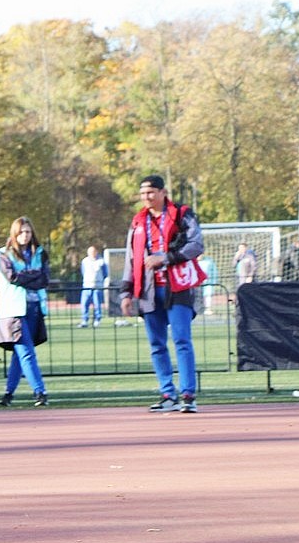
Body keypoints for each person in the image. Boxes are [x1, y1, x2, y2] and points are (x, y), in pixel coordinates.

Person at [118, 174, 206, 414]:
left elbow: (196, 244)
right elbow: (131, 259)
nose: (146, 197)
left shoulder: (181, 214)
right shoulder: (138, 222)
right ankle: (168, 393)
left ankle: (188, 394)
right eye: (143, 193)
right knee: (156, 344)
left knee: (181, 339)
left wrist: (165, 258)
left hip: (177, 286)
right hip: (147, 290)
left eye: (151, 192)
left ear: (162, 192)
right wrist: (126, 293)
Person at [0, 216, 51, 408]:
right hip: (13, 309)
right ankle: (40, 392)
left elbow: (44, 279)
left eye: (28, 232)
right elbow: (12, 277)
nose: (25, 236)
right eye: (21, 232)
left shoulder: (40, 253)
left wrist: (28, 277)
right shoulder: (2, 253)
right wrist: (33, 276)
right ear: (14, 233)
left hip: (34, 307)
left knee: (20, 354)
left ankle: (8, 394)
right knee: (26, 352)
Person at [77, 245, 109, 328]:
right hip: (87, 285)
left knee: (97, 304)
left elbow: (105, 273)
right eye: (90, 252)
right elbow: (83, 272)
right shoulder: (85, 261)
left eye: (93, 252)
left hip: (97, 286)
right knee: (84, 304)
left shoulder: (101, 261)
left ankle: (97, 320)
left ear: (96, 252)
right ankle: (84, 320)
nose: (91, 253)